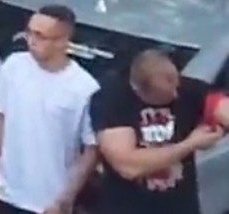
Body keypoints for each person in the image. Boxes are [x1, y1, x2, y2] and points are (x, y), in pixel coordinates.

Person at [0, 4, 99, 214]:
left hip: (49, 200)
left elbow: (91, 150)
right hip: (5, 191)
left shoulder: (84, 87)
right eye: (29, 32)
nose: (31, 40)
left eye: (40, 35)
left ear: (62, 41)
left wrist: (66, 197)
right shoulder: (13, 66)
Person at [91, 48, 229, 214]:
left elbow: (220, 106)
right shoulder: (113, 99)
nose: (176, 94)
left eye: (176, 85)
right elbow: (128, 166)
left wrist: (215, 128)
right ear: (139, 90)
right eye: (167, 93)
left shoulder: (188, 89)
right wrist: (189, 144)